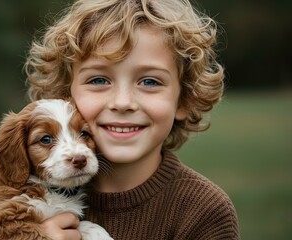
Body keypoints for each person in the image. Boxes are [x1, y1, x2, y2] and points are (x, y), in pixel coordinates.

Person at [25, 0, 240, 239]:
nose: (123, 102)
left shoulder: (203, 211)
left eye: (150, 82)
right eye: (98, 80)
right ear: (66, 97)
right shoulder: (23, 199)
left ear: (184, 100)